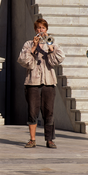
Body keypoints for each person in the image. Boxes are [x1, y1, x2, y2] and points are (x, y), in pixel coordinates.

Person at [17, 18, 65, 148]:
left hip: (48, 82)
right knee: (32, 111)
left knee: (49, 111)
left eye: (43, 28)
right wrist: (33, 47)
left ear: (46, 30)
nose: (40, 30)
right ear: (35, 30)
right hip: (32, 82)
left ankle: (49, 140)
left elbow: (59, 59)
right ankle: (32, 139)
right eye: (38, 28)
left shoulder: (52, 44)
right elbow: (23, 61)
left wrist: (50, 47)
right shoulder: (28, 44)